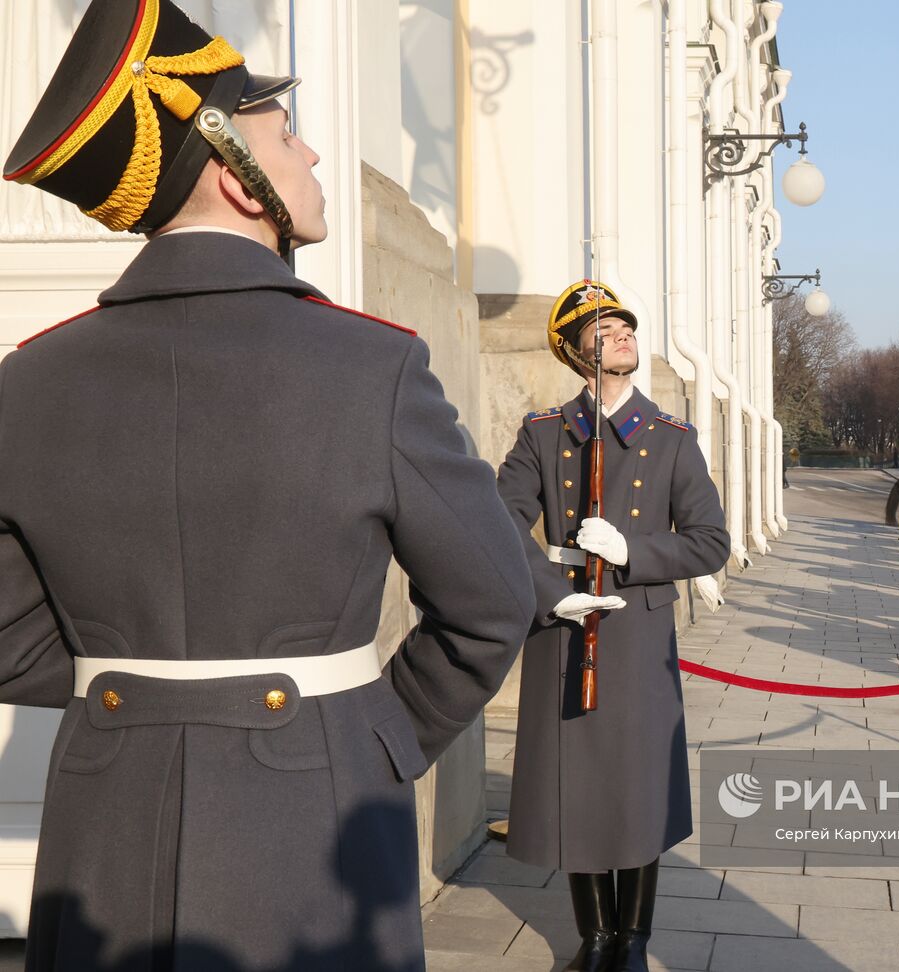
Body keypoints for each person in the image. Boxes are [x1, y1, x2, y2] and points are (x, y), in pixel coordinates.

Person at [0, 2, 535, 968]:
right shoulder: (373, 367)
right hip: (317, 835)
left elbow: (4, 637)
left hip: (104, 830)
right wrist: (370, 738)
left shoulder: (27, 381)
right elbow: (496, 599)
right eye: (284, 133)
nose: (314, 154)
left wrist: (133, 695)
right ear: (233, 177)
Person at [496, 280, 729, 972]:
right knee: (575, 790)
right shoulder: (544, 433)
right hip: (564, 621)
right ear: (575, 352)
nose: (622, 333)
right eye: (603, 328)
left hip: (635, 633)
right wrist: (549, 593)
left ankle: (632, 939)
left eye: (625, 324)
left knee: (636, 792)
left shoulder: (672, 440)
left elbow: (710, 541)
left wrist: (633, 552)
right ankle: (593, 936)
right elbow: (497, 523)